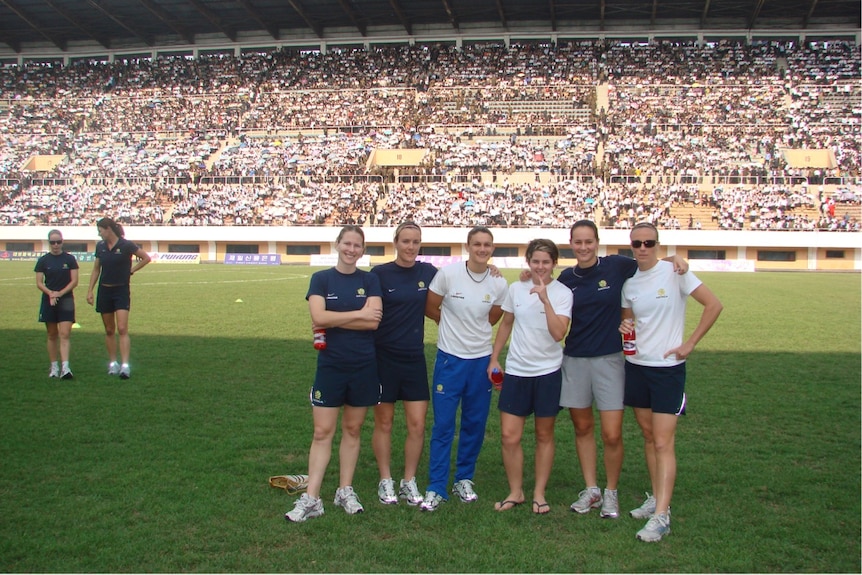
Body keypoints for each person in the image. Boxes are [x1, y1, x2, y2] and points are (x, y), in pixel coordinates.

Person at [525, 220, 687, 519]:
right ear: (571, 244)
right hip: (574, 360)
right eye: (578, 242)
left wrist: (674, 259)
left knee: (612, 434)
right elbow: (541, 281)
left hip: (610, 361)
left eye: (589, 241)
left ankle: (611, 492)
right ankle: (592, 489)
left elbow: (647, 259)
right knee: (583, 427)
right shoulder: (566, 278)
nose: (584, 247)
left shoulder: (616, 267)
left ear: (597, 242)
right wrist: (527, 272)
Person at [620, 221, 722, 542]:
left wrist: (690, 344)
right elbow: (627, 321)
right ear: (631, 246)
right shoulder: (630, 284)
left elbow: (714, 304)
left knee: (664, 442)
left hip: (667, 369)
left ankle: (662, 515)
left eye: (649, 243)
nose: (643, 248)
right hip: (636, 367)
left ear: (658, 244)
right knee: (649, 437)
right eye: (637, 243)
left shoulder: (675, 273)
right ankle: (655, 496)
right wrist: (624, 330)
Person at [286, 225, 383, 523]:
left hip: (364, 365)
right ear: (337, 244)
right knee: (322, 432)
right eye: (347, 243)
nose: (351, 249)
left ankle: (344, 489)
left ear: (363, 250)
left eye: (357, 245)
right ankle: (312, 497)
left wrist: (335, 319)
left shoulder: (370, 279)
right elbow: (318, 316)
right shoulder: (321, 279)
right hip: (330, 366)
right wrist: (357, 314)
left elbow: (374, 322)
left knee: (353, 430)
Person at [421, 226, 508, 511]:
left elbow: (493, 317)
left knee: (474, 424)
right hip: (450, 361)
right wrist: (448, 327)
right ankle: (436, 486)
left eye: (487, 245)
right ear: (468, 246)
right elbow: (431, 307)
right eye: (477, 244)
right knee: (444, 425)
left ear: (492, 249)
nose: (482, 249)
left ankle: (463, 479)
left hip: (481, 362)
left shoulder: (498, 282)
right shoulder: (449, 274)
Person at [487, 239, 572, 515]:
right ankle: (516, 492)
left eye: (546, 262)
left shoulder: (562, 293)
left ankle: (539, 493)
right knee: (510, 436)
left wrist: (545, 299)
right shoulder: (516, 289)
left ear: (554, 264)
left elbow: (558, 333)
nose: (540, 267)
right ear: (528, 262)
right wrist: (494, 357)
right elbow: (506, 324)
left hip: (548, 372)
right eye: (535, 261)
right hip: (517, 371)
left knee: (544, 435)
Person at [369, 222, 438, 506]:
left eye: (416, 241)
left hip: (414, 359)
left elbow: (461, 280)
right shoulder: (380, 274)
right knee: (384, 422)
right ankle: (385, 480)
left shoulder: (428, 272)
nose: (411, 246)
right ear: (396, 242)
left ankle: (408, 480)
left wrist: (492, 270)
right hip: (383, 358)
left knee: (417, 425)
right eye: (406, 241)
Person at [86, 217, 150, 379]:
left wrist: (132, 270)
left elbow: (146, 258)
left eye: (100, 230)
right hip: (104, 292)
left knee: (122, 328)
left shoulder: (126, 245)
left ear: (108, 229)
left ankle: (125, 366)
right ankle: (113, 363)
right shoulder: (100, 247)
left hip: (121, 291)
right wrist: (90, 290)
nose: (99, 234)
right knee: (109, 330)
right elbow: (96, 270)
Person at [35, 229, 79, 379]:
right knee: (52, 334)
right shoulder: (43, 260)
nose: (55, 245)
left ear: (62, 242)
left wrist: (60, 293)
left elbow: (74, 281)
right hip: (49, 300)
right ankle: (54, 366)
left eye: (58, 242)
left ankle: (65, 367)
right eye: (52, 242)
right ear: (49, 243)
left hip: (66, 300)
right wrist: (50, 293)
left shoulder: (70, 259)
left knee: (65, 334)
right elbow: (39, 283)